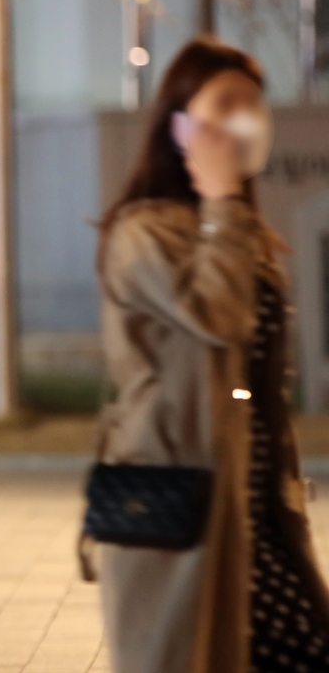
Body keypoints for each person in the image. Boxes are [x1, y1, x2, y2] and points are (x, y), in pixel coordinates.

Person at [93, 36, 329, 673]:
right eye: (225, 103)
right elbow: (217, 317)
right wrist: (223, 201)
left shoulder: (242, 232)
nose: (244, 119)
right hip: (183, 506)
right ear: (179, 122)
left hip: (256, 507)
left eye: (255, 103)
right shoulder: (144, 232)